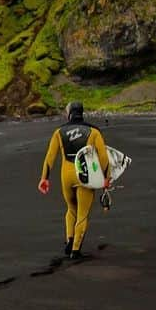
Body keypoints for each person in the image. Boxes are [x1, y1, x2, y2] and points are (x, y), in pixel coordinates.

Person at [37, 101, 110, 259]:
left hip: (66, 176)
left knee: (71, 209)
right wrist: (106, 178)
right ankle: (75, 251)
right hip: (85, 175)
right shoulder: (93, 131)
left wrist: (44, 179)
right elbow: (103, 157)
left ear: (69, 113)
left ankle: (69, 239)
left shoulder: (59, 132)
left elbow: (50, 157)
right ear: (81, 113)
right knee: (82, 215)